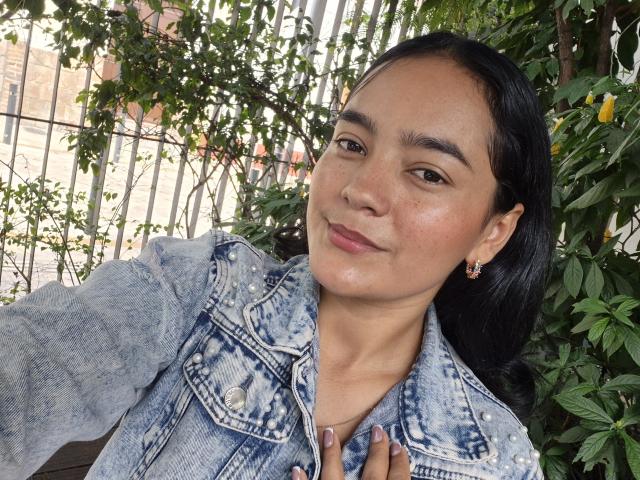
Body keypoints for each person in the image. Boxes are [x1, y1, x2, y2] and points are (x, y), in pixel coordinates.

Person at [0, 31, 552, 480]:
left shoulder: (495, 463)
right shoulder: (201, 290)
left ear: (493, 232)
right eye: (352, 144)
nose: (360, 189)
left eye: (428, 173)